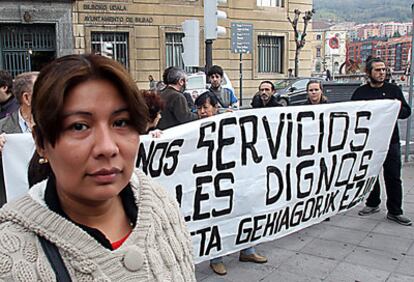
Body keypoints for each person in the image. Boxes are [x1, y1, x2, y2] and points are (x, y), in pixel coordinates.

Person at [0, 54, 196, 281]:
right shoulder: (10, 256)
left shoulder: (162, 205)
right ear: (41, 143)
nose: (107, 147)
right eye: (79, 126)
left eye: (121, 122)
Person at [195, 91, 268, 276]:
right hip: (212, 183)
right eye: (199, 108)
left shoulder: (229, 123)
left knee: (245, 212)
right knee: (217, 218)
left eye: (205, 107)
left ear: (215, 108)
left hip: (235, 178)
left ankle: (248, 250)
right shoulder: (192, 128)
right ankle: (216, 258)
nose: (202, 111)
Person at [351, 57, 411, 226]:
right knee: (371, 174)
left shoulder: (394, 90)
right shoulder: (361, 93)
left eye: (384, 69)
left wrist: (395, 108)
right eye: (377, 70)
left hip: (391, 141)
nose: (381, 73)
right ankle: (372, 203)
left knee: (393, 176)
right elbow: (353, 114)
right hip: (369, 142)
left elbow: (406, 111)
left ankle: (395, 211)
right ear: (368, 73)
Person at [0, 72, 38, 207]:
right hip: (13, 209)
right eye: (43, 91)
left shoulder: (57, 126)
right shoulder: (2, 128)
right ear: (27, 98)